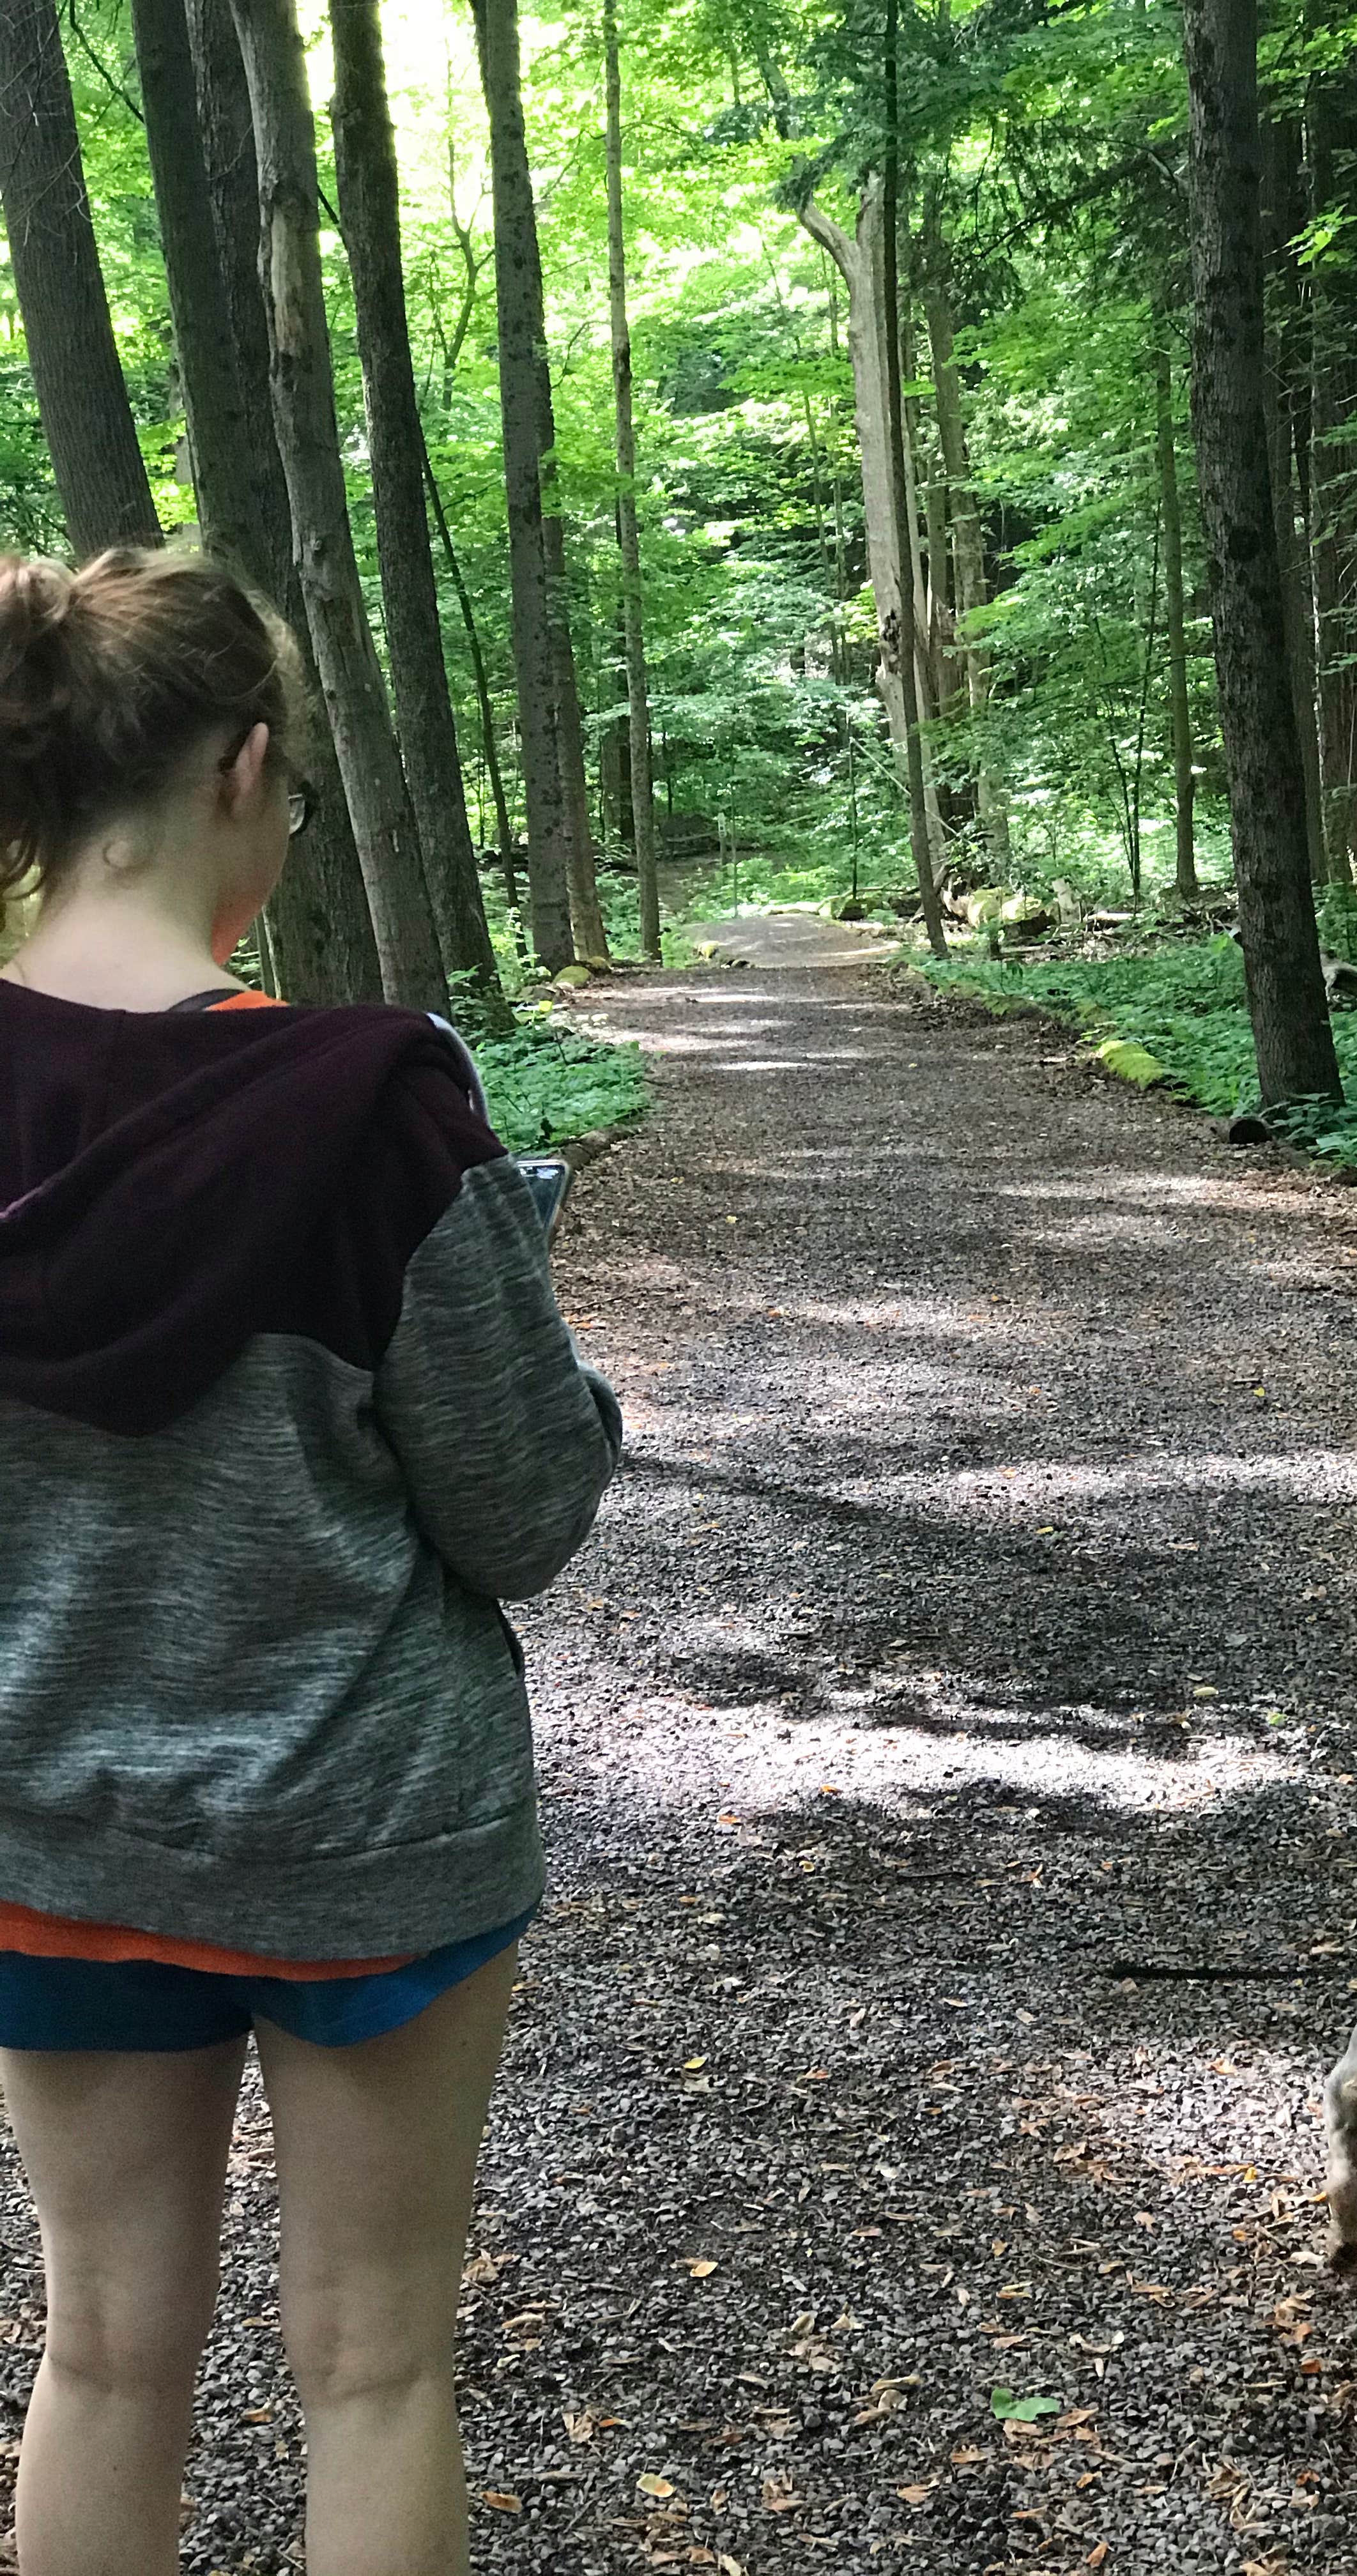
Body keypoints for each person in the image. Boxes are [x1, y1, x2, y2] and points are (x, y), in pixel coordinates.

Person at [0, 546, 622, 2575]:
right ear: (245, 768)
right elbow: (524, 1512)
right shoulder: (370, 1106)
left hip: (51, 1838)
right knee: (373, 2366)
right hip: (370, 1842)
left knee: (99, 2358)